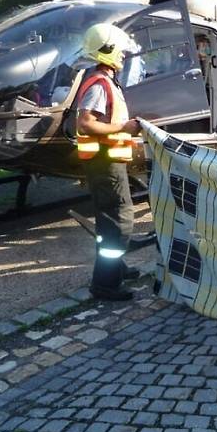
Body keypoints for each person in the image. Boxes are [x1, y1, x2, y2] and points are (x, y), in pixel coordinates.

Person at [76, 23, 142, 301]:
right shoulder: (101, 84)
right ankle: (105, 283)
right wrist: (124, 129)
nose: (124, 55)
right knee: (119, 221)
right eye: (121, 51)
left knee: (109, 221)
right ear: (108, 50)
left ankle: (116, 269)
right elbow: (86, 122)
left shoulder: (103, 80)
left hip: (106, 162)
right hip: (105, 163)